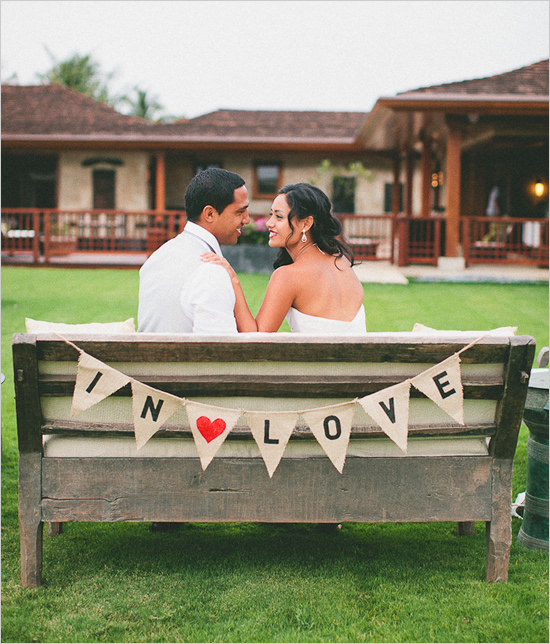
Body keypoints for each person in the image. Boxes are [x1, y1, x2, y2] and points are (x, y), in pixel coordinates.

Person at [201, 182, 366, 335]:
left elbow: (257, 339)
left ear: (305, 224)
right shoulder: (341, 262)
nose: (269, 223)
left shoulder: (288, 276)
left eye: (278, 217)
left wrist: (234, 281)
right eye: (271, 214)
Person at [138, 168, 250, 334]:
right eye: (240, 212)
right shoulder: (211, 270)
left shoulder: (156, 258)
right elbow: (221, 351)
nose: (247, 220)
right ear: (210, 213)